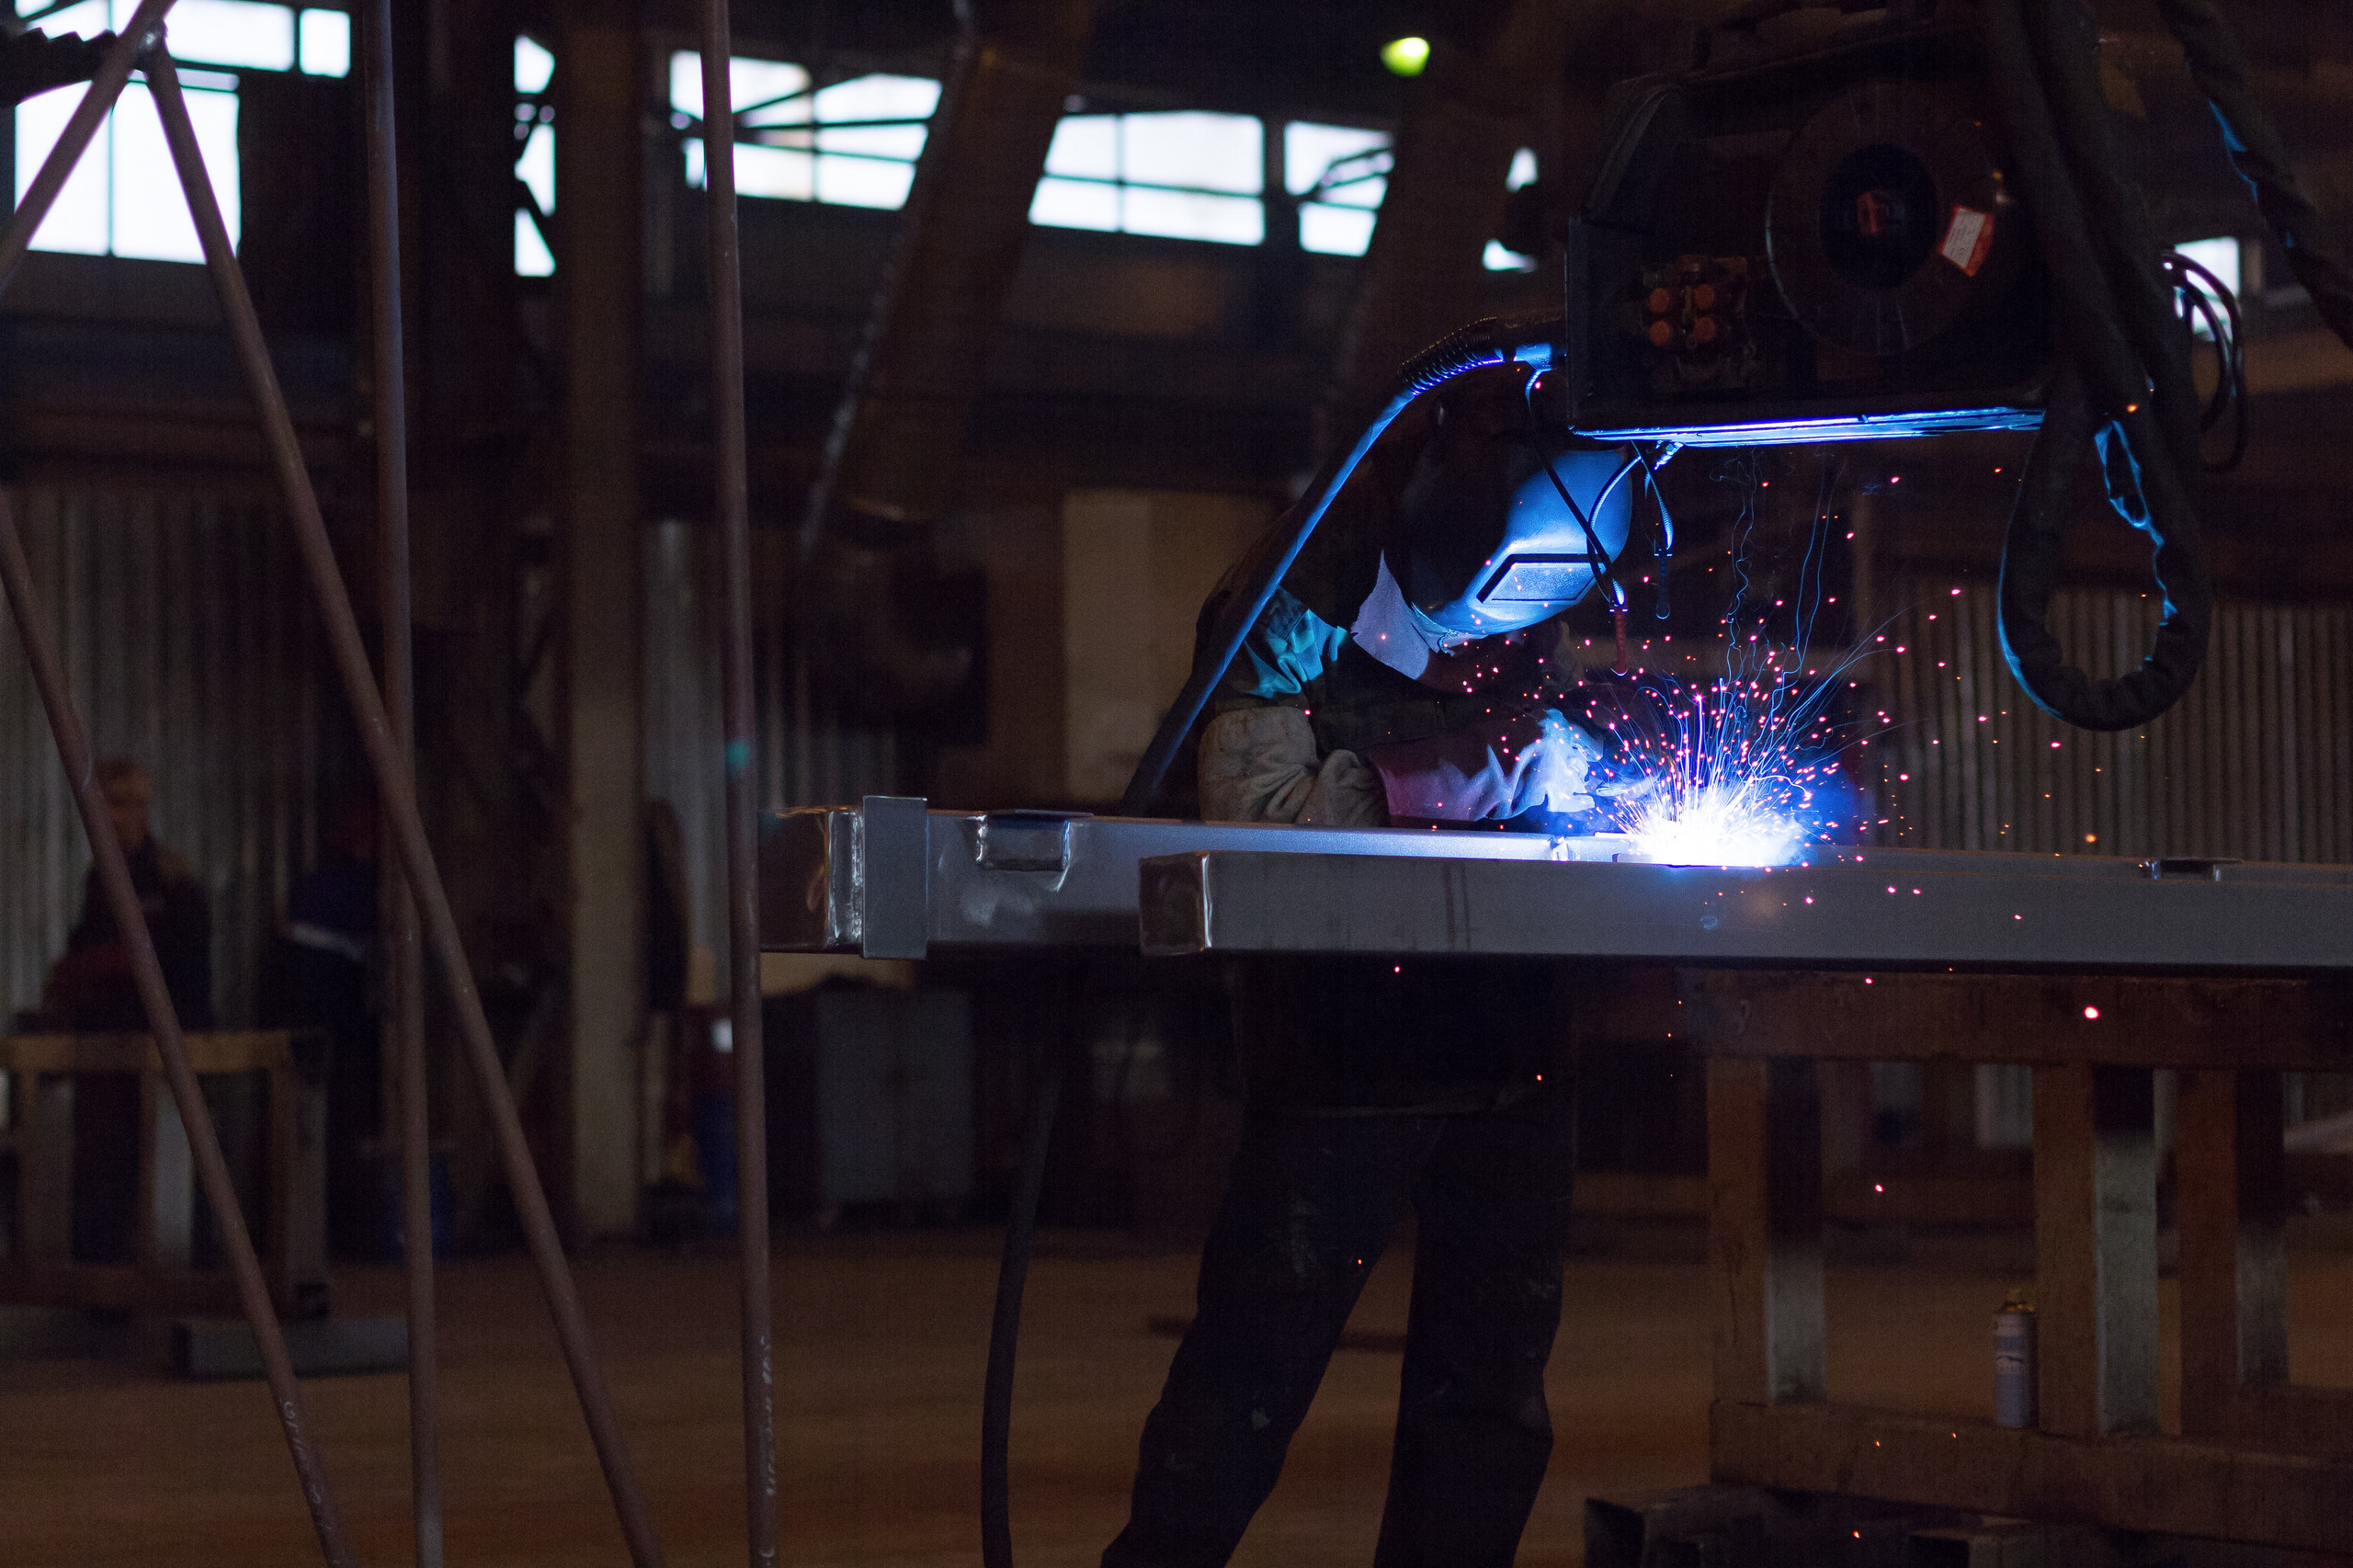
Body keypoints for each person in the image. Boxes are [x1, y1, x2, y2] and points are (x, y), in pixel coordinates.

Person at [1103, 358, 1641, 1568]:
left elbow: (1538, 745)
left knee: (1492, 1398)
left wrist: (1580, 774)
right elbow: (1245, 801)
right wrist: (1458, 775)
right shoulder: (1295, 589)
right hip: (1349, 1044)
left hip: (1512, 1042)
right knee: (1252, 1371)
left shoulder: (1538, 545)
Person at [42, 757, 213, 1030]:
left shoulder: (172, 879)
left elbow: (186, 973)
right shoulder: (100, 878)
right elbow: (89, 940)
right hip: (111, 1033)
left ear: (141, 808)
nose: (110, 816)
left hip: (164, 1033)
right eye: (105, 805)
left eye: (120, 804)